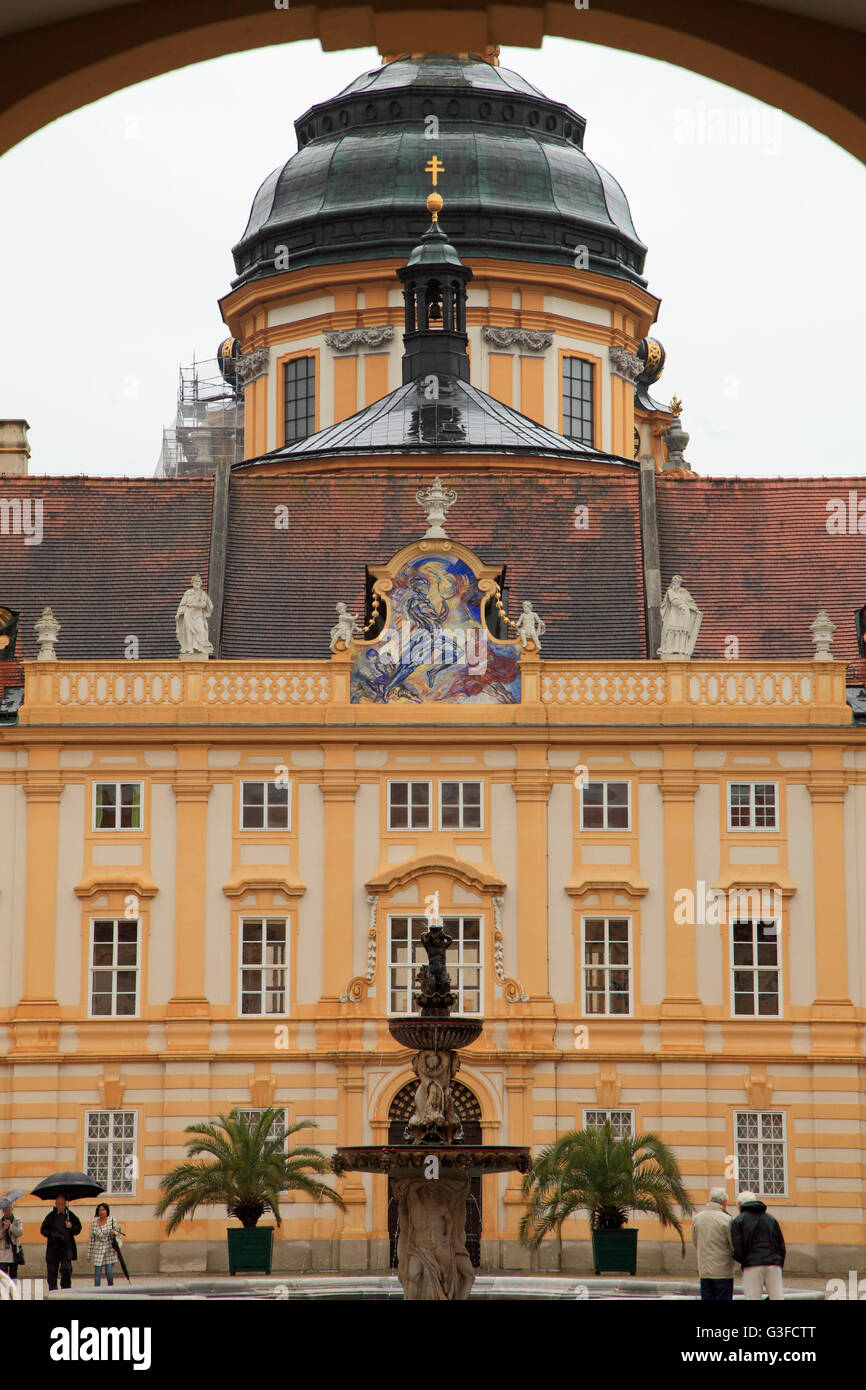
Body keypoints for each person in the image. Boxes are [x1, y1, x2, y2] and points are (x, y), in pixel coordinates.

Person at [731, 1190, 786, 1300]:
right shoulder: (771, 1219)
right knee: (777, 1297)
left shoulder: (738, 1220)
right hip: (773, 1263)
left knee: (752, 1297)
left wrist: (744, 1261)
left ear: (740, 1205)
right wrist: (778, 1263)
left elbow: (737, 1247)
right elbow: (781, 1245)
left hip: (752, 1265)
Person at [691, 1188, 734, 1300]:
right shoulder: (727, 1220)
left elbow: (695, 1241)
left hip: (704, 1269)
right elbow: (733, 1244)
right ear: (724, 1202)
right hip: (723, 1271)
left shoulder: (697, 1218)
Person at [40, 1194, 82, 1291]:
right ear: (55, 1204)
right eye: (58, 1204)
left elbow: (78, 1228)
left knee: (66, 1269)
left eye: (62, 1204)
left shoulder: (70, 1215)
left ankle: (66, 1289)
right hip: (53, 1248)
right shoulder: (51, 1216)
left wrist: (71, 1226)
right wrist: (51, 1234)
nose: (60, 1206)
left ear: (65, 1203)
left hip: (66, 1247)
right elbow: (43, 1230)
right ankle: (53, 1290)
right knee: (52, 1271)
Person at [86, 1202, 125, 1287]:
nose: (102, 1211)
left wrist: (113, 1232)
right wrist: (89, 1255)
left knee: (109, 1272)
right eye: (100, 1210)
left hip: (109, 1249)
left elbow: (117, 1231)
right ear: (97, 1212)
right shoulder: (94, 1223)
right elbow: (91, 1239)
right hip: (98, 1250)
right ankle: (97, 1291)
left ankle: (110, 1289)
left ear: (107, 1211)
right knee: (97, 1273)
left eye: (104, 1209)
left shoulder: (112, 1220)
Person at [0, 1205, 23, 1281]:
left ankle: (13, 1291)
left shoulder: (17, 1220)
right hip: (2, 1253)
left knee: (13, 1275)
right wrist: (3, 1229)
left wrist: (10, 1226)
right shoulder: (0, 1221)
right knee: (3, 1276)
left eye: (9, 1210)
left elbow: (19, 1233)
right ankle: (3, 1291)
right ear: (3, 1211)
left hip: (13, 1252)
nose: (7, 1212)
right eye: (5, 1210)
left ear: (12, 1209)